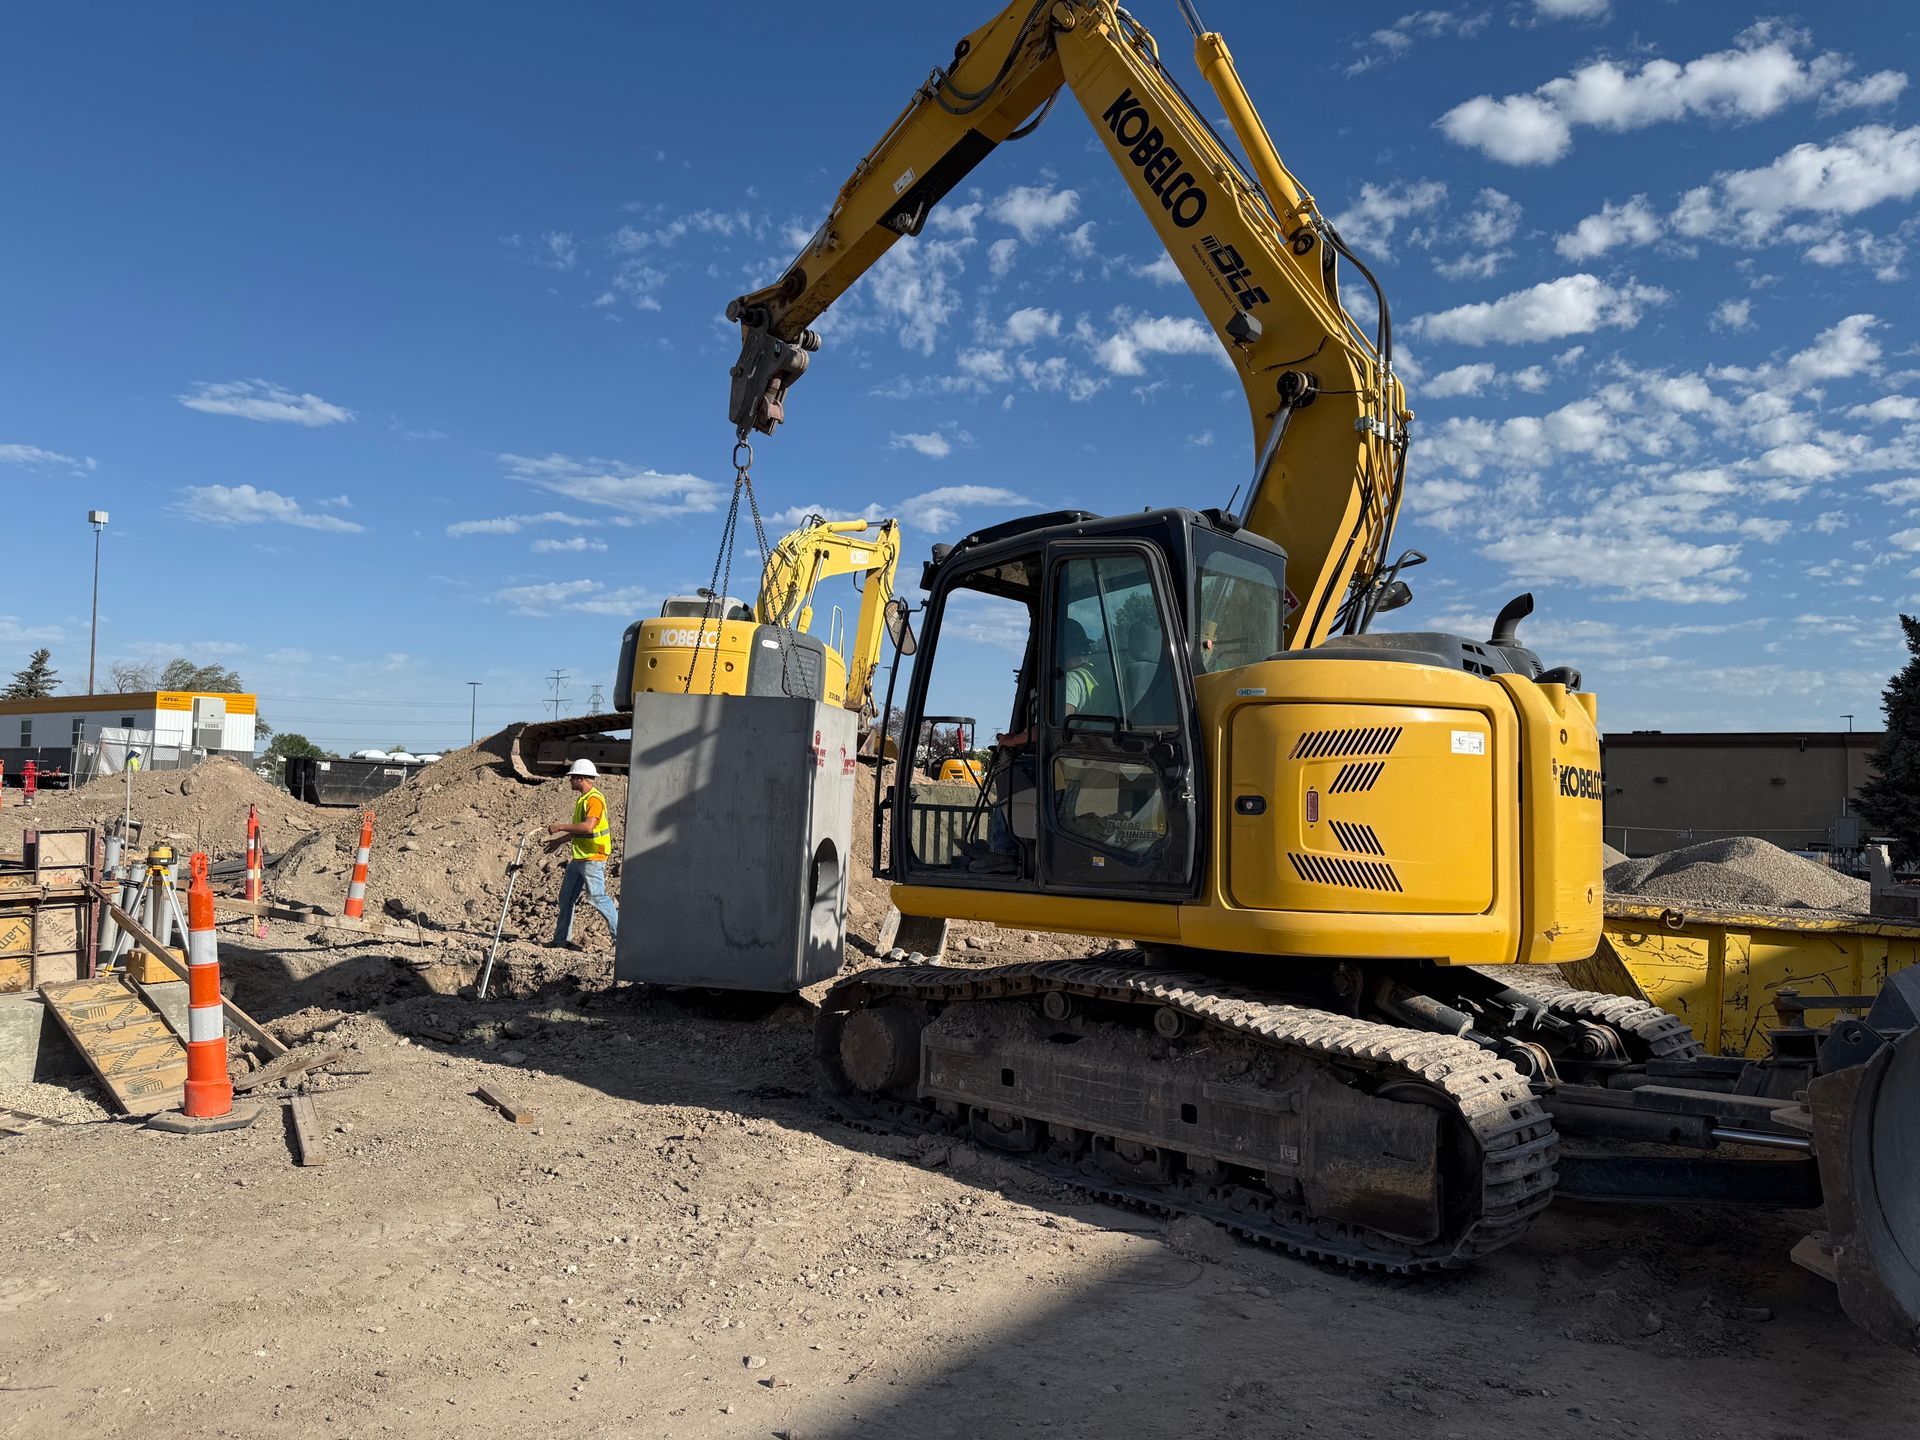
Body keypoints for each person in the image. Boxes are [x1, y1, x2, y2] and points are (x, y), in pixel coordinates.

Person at [969, 619, 1097, 874]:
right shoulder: (1091, 677)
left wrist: (1012, 741)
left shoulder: (1071, 681)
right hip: (1079, 758)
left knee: (1009, 770)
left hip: (1065, 762)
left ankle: (1003, 851)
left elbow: (1055, 725)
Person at [545, 758, 619, 949]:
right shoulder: (583, 800)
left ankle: (621, 938)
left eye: (572, 778)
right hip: (579, 857)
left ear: (581, 778)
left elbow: (587, 827)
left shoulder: (594, 799)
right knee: (566, 898)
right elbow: (579, 830)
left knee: (597, 897)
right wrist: (559, 841)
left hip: (593, 857)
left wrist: (560, 826)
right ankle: (560, 940)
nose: (569, 781)